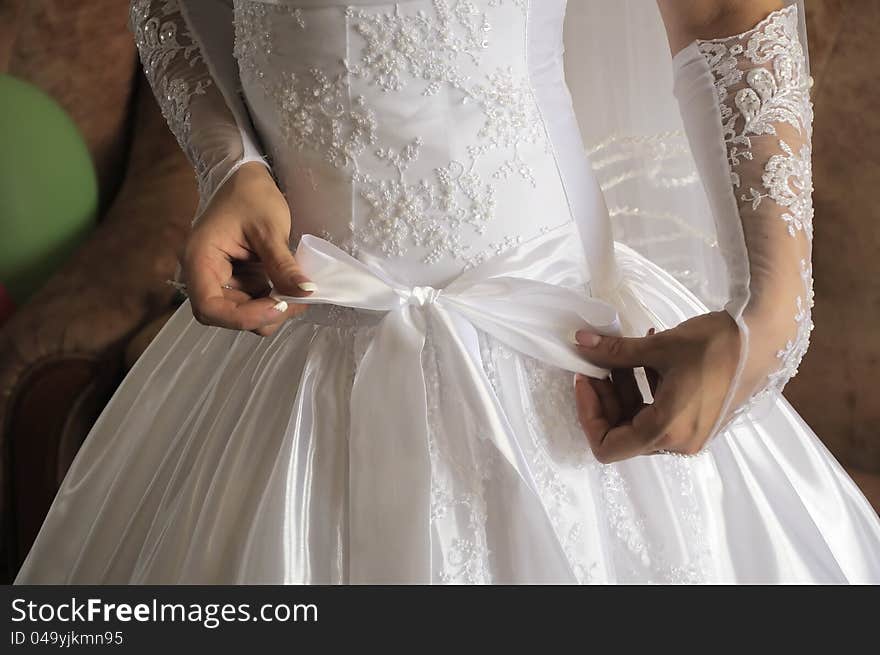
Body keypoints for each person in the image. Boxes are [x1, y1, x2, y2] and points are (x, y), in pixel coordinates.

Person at [15, 0, 880, 584]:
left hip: (560, 364)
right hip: (283, 339)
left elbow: (727, 11)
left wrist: (768, 315)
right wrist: (229, 162)